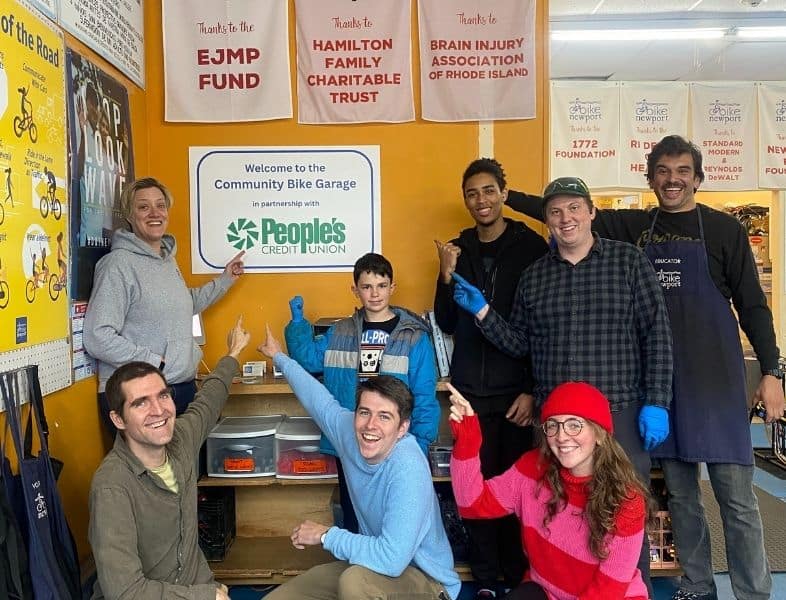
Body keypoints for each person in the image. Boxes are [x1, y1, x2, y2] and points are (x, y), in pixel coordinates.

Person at [506, 136, 784, 600]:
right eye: (663, 171)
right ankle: (697, 586)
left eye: (682, 171)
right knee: (682, 498)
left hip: (714, 381)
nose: (672, 180)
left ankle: (753, 593)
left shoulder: (724, 230)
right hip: (663, 386)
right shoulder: (636, 226)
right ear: (650, 178)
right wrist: (504, 196)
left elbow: (753, 305)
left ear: (698, 178)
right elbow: (561, 209)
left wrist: (771, 370)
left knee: (736, 499)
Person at [451, 176, 673, 596]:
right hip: (555, 424)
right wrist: (482, 312)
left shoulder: (628, 262)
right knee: (553, 518)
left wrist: (657, 401)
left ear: (591, 212)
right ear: (547, 220)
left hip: (619, 416)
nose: (565, 217)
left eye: (574, 208)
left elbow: (656, 333)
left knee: (623, 524)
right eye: (555, 211)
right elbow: (520, 344)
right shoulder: (535, 276)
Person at [259, 325, 460, 600]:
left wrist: (326, 536)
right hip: (372, 566)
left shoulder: (408, 467)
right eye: (364, 412)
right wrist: (278, 356)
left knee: (354, 583)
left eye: (384, 417)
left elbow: (391, 559)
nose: (370, 425)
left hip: (427, 582)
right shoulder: (349, 430)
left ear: (402, 428)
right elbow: (317, 399)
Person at [433, 157, 548, 598]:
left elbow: (540, 328)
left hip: (515, 394)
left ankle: (517, 576)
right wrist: (445, 275)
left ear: (503, 193)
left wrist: (531, 389)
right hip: (469, 393)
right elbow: (446, 320)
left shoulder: (530, 247)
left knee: (517, 490)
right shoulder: (457, 249)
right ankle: (484, 580)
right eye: (472, 193)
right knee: (472, 488)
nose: (480, 200)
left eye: (488, 191)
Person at [88, 316, 250, 600]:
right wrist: (204, 596)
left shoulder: (181, 440)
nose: (158, 411)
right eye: (141, 403)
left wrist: (233, 353)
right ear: (118, 419)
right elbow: (125, 592)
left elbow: (208, 401)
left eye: (162, 396)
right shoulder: (112, 487)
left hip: (198, 587)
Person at [449, 381, 651, 600]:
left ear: (600, 434)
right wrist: (467, 439)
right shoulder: (533, 468)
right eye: (553, 425)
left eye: (574, 425)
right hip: (548, 591)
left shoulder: (627, 500)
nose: (561, 436)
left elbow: (607, 591)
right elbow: (472, 504)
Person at [284, 252, 439, 534]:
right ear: (355, 290)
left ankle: (387, 558)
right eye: (367, 287)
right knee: (353, 508)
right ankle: (356, 558)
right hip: (353, 437)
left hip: (395, 440)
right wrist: (298, 323)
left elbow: (425, 395)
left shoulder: (414, 336)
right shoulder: (340, 331)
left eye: (381, 286)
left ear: (392, 287)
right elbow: (309, 359)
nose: (375, 293)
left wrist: (421, 442)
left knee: (393, 510)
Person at [84, 177, 246, 433]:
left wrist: (225, 280)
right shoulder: (117, 265)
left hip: (178, 387)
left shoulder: (166, 260)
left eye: (160, 205)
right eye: (143, 207)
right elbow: (97, 336)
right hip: (138, 395)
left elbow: (184, 304)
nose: (154, 213)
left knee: (192, 460)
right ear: (129, 215)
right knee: (160, 463)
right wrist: (152, 362)